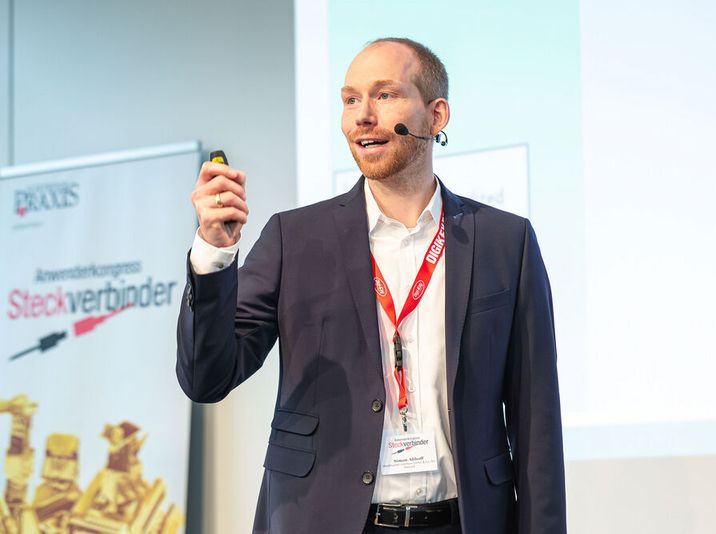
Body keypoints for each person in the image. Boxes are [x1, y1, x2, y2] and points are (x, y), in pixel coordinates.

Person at [177, 37, 566, 534]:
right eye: (349, 99)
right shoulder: (293, 239)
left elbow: (537, 423)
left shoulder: (504, 242)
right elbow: (206, 377)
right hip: (324, 520)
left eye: (384, 95)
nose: (362, 115)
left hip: (464, 521)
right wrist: (213, 252)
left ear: (436, 115)